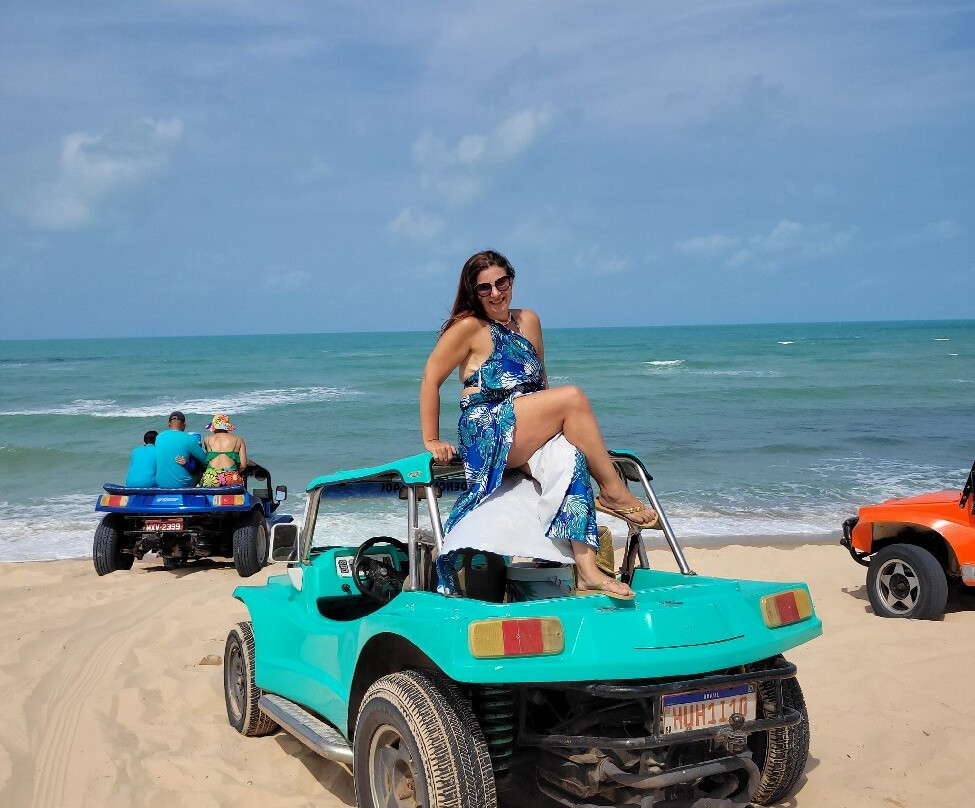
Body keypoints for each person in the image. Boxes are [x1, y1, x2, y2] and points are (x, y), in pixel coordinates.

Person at [420, 250, 657, 599]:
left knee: (571, 458)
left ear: (512, 280)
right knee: (572, 397)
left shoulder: (529, 320)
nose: (495, 293)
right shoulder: (469, 328)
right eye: (484, 288)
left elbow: (540, 380)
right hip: (488, 424)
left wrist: (556, 429)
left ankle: (589, 571)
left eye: (501, 283)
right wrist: (431, 438)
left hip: (528, 420)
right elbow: (430, 379)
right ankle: (612, 490)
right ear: (474, 293)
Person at [154, 410, 207, 488]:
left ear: (169, 424)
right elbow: (205, 460)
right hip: (182, 485)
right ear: (184, 424)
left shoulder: (158, 437)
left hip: (161, 484)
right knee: (200, 470)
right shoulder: (188, 438)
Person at [198, 413, 248, 487]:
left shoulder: (207, 439)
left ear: (214, 427)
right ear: (227, 426)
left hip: (211, 477)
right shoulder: (239, 440)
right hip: (231, 477)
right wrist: (233, 473)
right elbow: (243, 465)